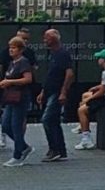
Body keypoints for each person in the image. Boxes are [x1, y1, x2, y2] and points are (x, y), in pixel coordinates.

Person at [38, 29, 74, 162]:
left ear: (54, 39)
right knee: (54, 121)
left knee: (47, 119)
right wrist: (43, 91)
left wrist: (63, 92)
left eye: (46, 37)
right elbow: (50, 75)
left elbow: (69, 74)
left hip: (57, 91)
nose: (44, 40)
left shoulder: (62, 53)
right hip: (50, 91)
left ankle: (55, 149)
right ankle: (60, 150)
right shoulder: (53, 54)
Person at [74, 49, 105, 151]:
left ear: (103, 60)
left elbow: (102, 92)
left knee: (81, 110)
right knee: (85, 95)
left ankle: (86, 140)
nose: (98, 60)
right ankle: (82, 124)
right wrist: (95, 88)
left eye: (99, 58)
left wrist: (88, 100)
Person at [0, 36, 34, 166]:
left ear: (20, 50)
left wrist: (10, 82)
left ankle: (17, 155)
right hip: (10, 98)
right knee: (5, 124)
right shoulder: (12, 63)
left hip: (20, 98)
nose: (11, 50)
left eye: (14, 48)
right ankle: (23, 146)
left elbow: (28, 79)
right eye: (10, 47)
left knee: (16, 126)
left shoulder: (23, 62)